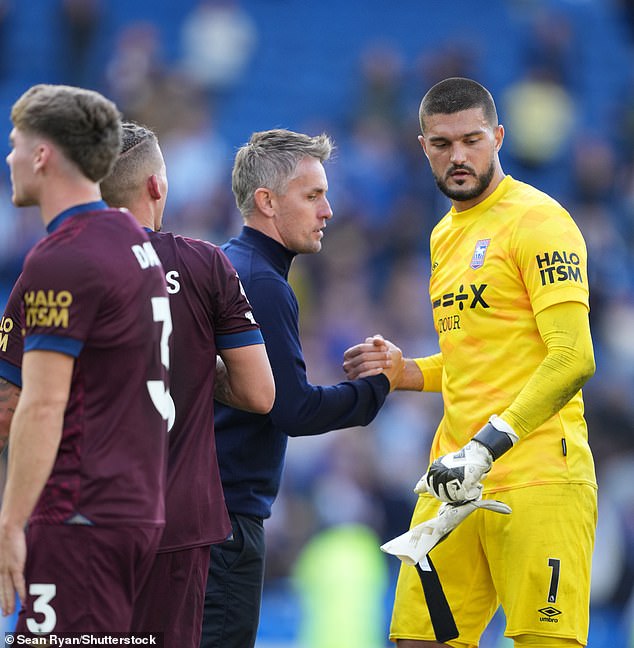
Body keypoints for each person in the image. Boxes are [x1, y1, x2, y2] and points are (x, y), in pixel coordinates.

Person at [343, 77, 596, 648]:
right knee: (416, 640)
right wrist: (408, 371)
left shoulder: (540, 221)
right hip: (453, 482)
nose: (458, 155)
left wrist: (487, 445)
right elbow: (475, 357)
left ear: (499, 137)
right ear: (422, 146)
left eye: (471, 139)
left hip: (538, 475)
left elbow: (573, 356)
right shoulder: (441, 237)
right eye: (441, 143)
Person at [200, 128, 402, 648]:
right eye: (312, 195)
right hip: (227, 521)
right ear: (266, 202)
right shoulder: (263, 283)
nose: (328, 210)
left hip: (202, 512)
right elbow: (292, 409)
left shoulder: (230, 264)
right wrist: (379, 387)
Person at [0, 84, 172, 633]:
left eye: (15, 144)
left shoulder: (64, 257)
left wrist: (8, 524)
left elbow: (42, 404)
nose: (9, 158)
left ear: (43, 154)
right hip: (133, 506)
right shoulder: (132, 239)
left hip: (80, 513)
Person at [99, 121, 275, 647]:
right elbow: (258, 393)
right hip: (178, 525)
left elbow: (10, 402)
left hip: (84, 520)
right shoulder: (203, 264)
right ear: (158, 185)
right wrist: (194, 368)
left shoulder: (54, 266)